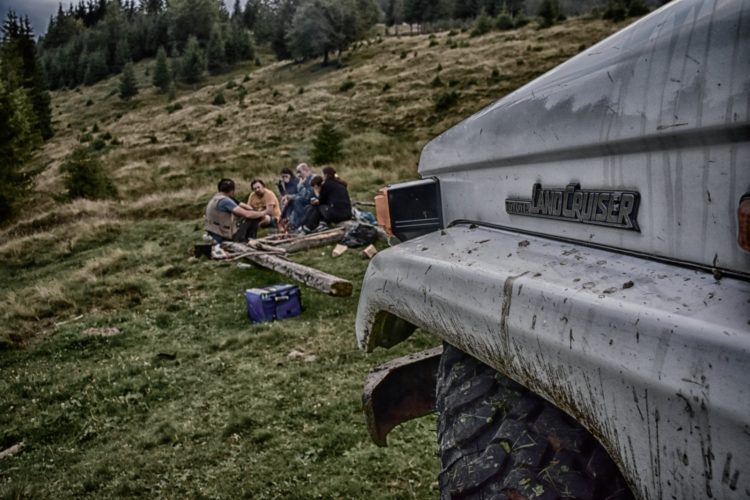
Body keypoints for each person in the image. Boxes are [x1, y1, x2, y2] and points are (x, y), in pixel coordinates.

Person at [205, 178, 266, 244]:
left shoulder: (215, 198)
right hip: (221, 234)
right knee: (253, 218)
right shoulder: (225, 201)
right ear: (231, 191)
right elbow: (246, 214)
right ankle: (247, 240)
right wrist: (262, 213)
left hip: (213, 231)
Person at [299, 166, 352, 233]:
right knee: (323, 207)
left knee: (317, 207)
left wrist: (316, 201)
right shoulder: (341, 184)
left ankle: (309, 227)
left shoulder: (327, 184)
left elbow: (321, 201)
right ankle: (320, 224)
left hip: (337, 214)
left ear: (326, 175)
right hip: (347, 214)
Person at [285, 163, 316, 230]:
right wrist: (290, 196)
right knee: (291, 201)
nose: (298, 175)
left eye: (299, 172)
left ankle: (302, 223)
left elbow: (308, 194)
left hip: (313, 199)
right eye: (297, 172)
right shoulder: (302, 180)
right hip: (306, 199)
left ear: (305, 170)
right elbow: (300, 194)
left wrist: (301, 185)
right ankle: (289, 222)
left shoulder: (313, 178)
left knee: (297, 201)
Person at [277, 167, 298, 232]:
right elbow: (285, 194)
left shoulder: (294, 181)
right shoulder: (286, 183)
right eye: (283, 177)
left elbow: (291, 193)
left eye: (286, 176)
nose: (284, 178)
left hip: (296, 200)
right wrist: (280, 187)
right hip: (290, 200)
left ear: (290, 175)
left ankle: (288, 222)